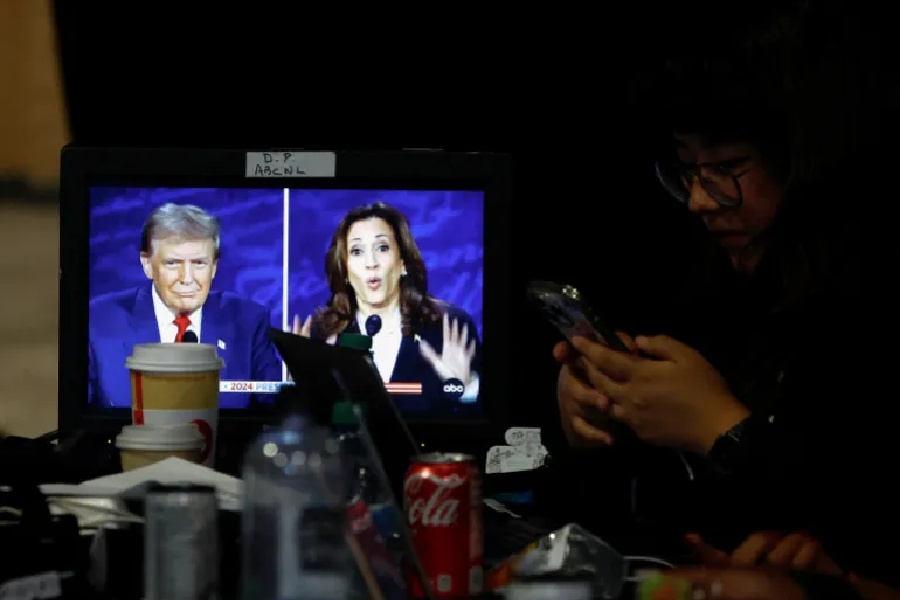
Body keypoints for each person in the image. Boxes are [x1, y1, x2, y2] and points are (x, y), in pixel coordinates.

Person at [542, 0, 900, 585]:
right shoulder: (717, 282)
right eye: (688, 171)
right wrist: (597, 418)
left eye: (729, 166)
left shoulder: (863, 295)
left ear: (810, 163)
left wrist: (724, 431)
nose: (703, 201)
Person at [292, 202, 482, 411]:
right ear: (344, 271)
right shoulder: (323, 334)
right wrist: (298, 386)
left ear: (402, 262)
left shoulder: (448, 327)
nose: (371, 262)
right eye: (357, 251)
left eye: (382, 248)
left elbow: (479, 423)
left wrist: (467, 388)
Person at [89, 203, 281, 407]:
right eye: (173, 263)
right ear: (147, 264)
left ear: (214, 267)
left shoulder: (248, 321)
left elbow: (274, 412)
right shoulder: (99, 321)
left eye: (199, 263)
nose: (187, 278)